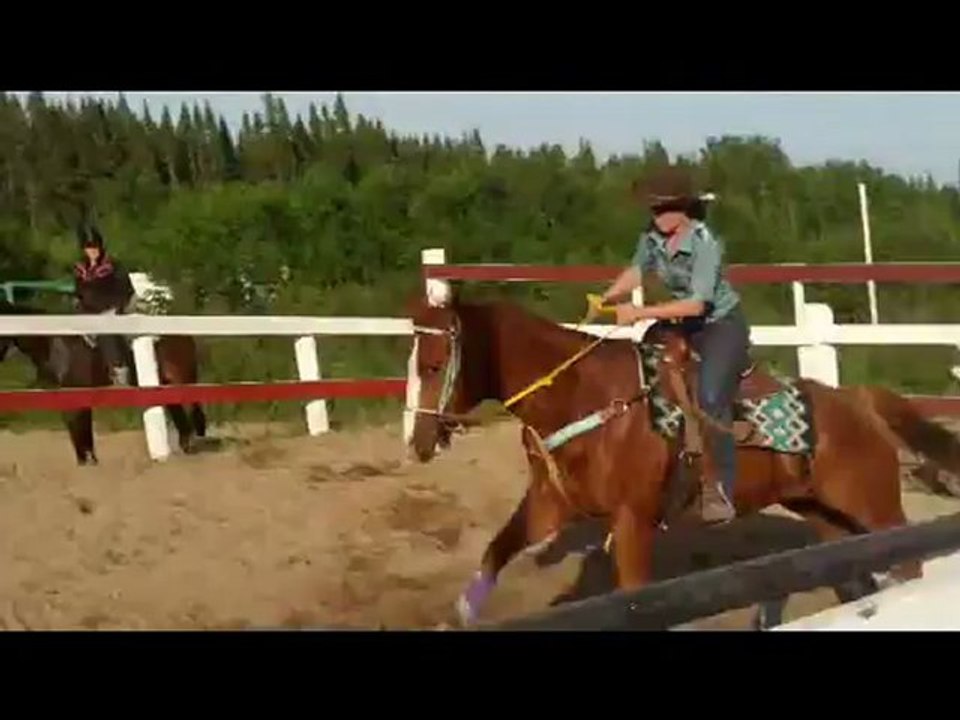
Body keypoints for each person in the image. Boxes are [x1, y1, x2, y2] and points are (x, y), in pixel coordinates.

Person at [598, 165, 750, 523]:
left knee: (710, 396)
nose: (659, 215)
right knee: (640, 371)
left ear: (685, 209)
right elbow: (638, 270)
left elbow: (698, 304)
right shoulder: (651, 237)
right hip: (681, 321)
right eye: (655, 208)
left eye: (667, 208)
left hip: (718, 324)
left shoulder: (705, 243)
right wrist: (607, 296)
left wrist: (639, 312)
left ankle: (720, 488)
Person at [73, 223, 136, 386]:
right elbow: (78, 291)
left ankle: (120, 372)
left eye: (95, 247)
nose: (92, 251)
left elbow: (126, 290)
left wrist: (116, 308)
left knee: (107, 334)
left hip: (111, 309)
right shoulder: (80, 268)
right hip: (86, 311)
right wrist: (77, 301)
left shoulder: (113, 266)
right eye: (89, 247)